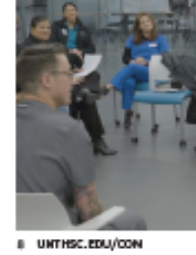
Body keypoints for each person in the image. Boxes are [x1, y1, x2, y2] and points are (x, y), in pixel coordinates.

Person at [16, 43, 145, 229]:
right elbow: (89, 213)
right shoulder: (68, 130)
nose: (73, 80)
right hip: (53, 234)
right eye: (68, 74)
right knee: (131, 221)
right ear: (47, 80)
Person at [17, 16, 116, 156]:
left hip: (62, 82)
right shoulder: (29, 49)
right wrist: (69, 76)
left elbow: (70, 61)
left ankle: (96, 135)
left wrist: (72, 68)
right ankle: (96, 139)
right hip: (46, 87)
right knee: (85, 100)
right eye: (41, 28)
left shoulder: (51, 44)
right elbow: (42, 73)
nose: (46, 30)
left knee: (91, 77)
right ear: (32, 29)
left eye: (48, 28)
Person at [106, 12, 170, 128]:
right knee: (128, 82)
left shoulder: (161, 39)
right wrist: (132, 61)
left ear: (152, 23)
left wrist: (146, 62)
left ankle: (110, 86)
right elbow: (125, 58)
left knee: (132, 68)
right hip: (135, 71)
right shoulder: (132, 39)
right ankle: (128, 112)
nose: (146, 24)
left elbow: (166, 59)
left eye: (148, 21)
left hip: (153, 71)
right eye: (143, 23)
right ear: (139, 26)